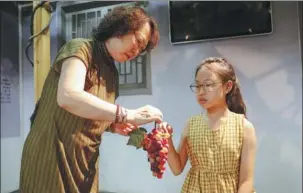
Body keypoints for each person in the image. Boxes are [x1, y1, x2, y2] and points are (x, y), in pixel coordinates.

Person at [20, 6, 162, 193]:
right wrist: (125, 114)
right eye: (138, 41)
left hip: (85, 161)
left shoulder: (112, 74)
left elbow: (95, 113)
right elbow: (68, 97)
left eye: (142, 49)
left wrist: (114, 125)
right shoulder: (81, 48)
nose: (136, 51)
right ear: (121, 28)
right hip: (51, 154)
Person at [160, 57, 257, 193]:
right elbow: (177, 168)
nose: (201, 92)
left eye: (208, 85)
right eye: (198, 85)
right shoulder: (191, 124)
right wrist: (167, 139)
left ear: (227, 86)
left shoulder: (244, 127)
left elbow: (246, 181)